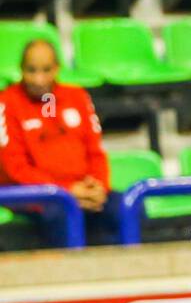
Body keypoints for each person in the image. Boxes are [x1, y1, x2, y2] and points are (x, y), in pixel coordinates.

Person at [0, 38, 114, 244]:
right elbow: (15, 168)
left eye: (46, 70)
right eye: (31, 70)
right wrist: (66, 190)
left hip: (82, 190)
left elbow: (95, 151)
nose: (39, 79)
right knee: (62, 215)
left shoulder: (77, 96)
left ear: (57, 68)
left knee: (124, 207)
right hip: (35, 197)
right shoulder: (7, 102)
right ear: (20, 69)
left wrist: (98, 186)